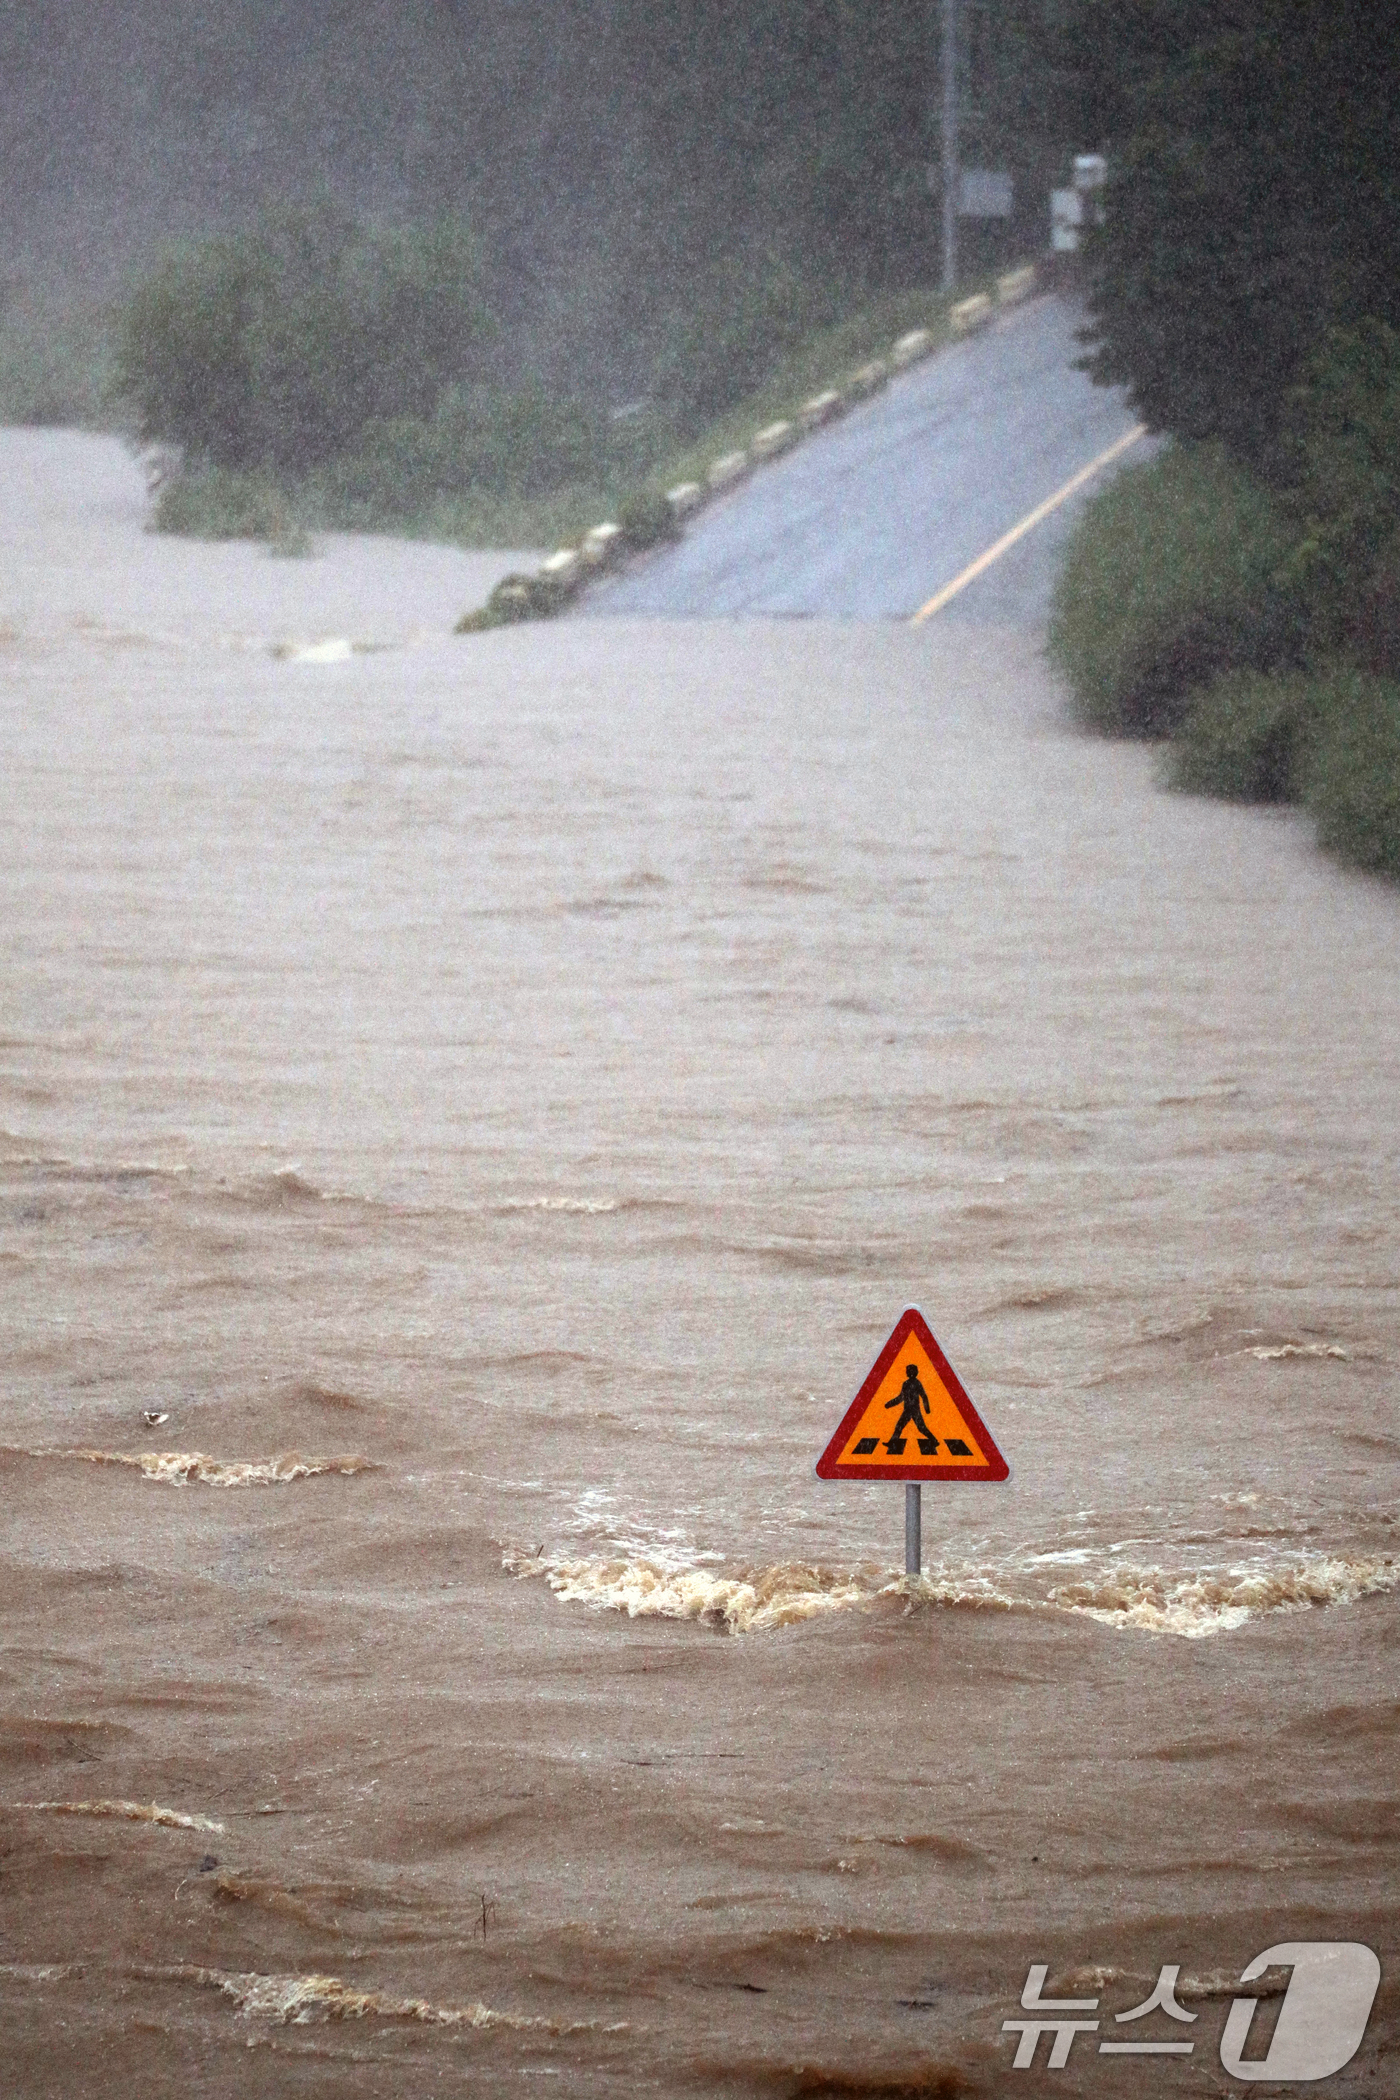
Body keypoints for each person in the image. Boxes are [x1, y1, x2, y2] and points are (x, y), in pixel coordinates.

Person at [884, 1363, 938, 1453]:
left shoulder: (916, 1383)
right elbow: (901, 1397)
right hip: (908, 1410)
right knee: (900, 1426)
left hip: (914, 1410)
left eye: (908, 1371)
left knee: (921, 1428)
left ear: (912, 1372)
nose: (907, 1372)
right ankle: (892, 1442)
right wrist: (889, 1404)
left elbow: (923, 1396)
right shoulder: (906, 1383)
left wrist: (927, 1409)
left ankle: (934, 1440)